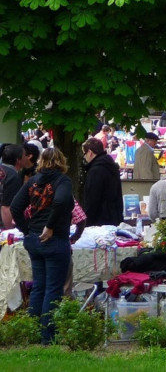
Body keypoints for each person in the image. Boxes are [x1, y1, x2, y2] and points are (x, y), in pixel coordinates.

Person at [10, 147, 74, 344]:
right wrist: (51, 226)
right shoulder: (62, 181)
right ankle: (48, 337)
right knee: (53, 289)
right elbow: (62, 201)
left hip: (34, 241)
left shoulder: (32, 181)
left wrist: (27, 229)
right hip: (54, 240)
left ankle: (32, 333)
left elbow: (15, 207)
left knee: (39, 287)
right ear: (61, 162)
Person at [82, 137, 124, 226]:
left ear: (90, 152)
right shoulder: (111, 166)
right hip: (114, 218)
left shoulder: (96, 171)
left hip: (99, 222)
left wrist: (86, 223)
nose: (84, 157)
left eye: (84, 154)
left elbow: (92, 200)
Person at [1, 144, 25, 229]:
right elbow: (6, 207)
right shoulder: (13, 176)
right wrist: (9, 231)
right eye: (24, 156)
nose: (26, 158)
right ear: (18, 160)